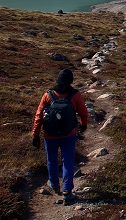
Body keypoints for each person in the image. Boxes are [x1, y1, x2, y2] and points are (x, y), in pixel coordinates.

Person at [31, 68, 89, 203]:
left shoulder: (48, 95)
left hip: (49, 135)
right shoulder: (75, 95)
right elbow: (83, 112)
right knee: (67, 161)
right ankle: (67, 191)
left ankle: (54, 184)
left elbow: (39, 116)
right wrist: (83, 124)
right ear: (71, 81)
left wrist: (35, 135)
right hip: (69, 134)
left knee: (51, 159)